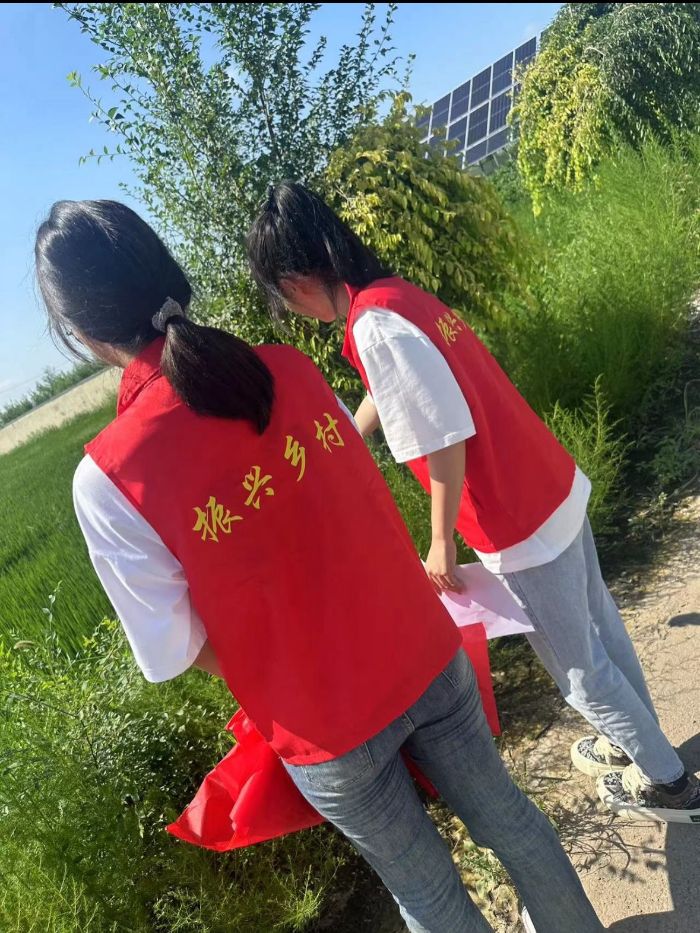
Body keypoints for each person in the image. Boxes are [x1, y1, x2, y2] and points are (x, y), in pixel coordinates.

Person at [35, 199, 603, 933]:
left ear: (80, 332)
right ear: (166, 272)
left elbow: (175, 649)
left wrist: (288, 665)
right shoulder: (291, 371)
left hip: (324, 725)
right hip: (422, 652)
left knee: (428, 894)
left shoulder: (109, 478)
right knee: (513, 824)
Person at [247, 181, 700, 824]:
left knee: (579, 671)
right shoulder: (395, 297)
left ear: (294, 283)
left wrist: (439, 542)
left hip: (515, 520)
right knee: (601, 626)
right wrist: (349, 436)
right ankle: (640, 743)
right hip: (548, 484)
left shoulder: (374, 326)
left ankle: (671, 787)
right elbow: (399, 387)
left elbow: (444, 436)